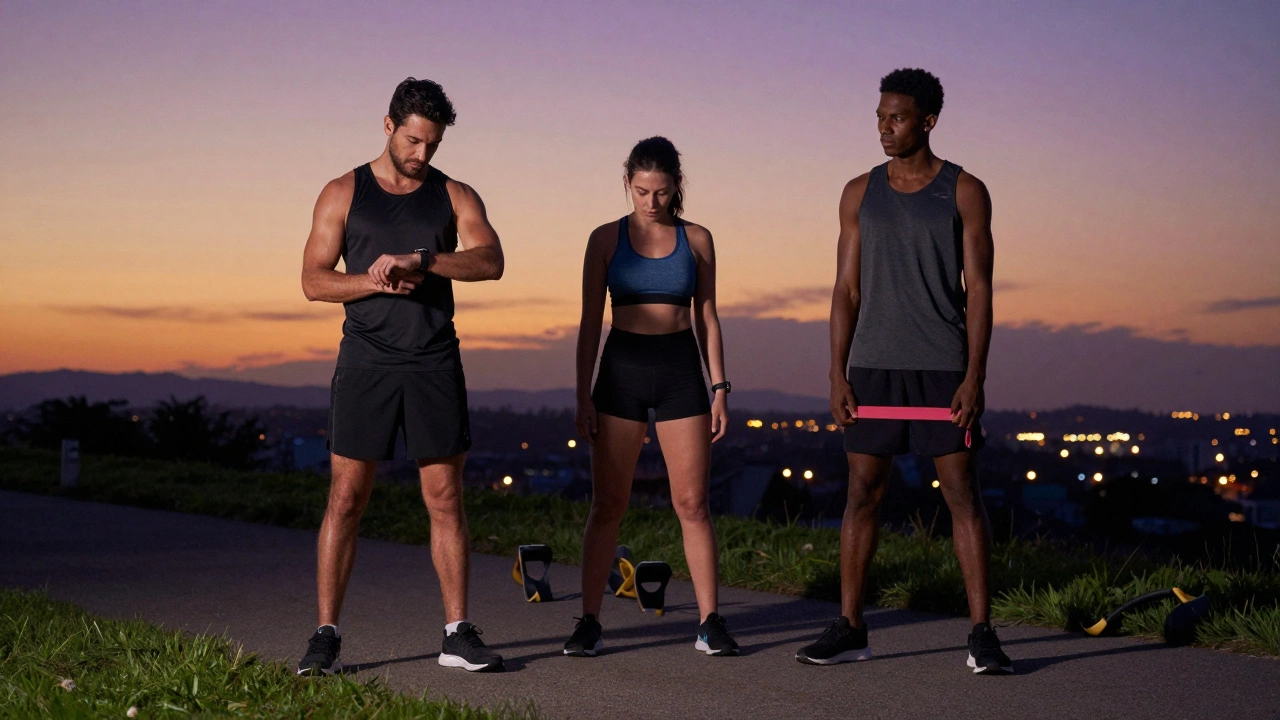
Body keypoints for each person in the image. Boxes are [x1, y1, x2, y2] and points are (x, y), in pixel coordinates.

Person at [796, 68, 1012, 674]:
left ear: (927, 121)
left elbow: (981, 289)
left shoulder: (966, 190)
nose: (884, 128)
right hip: (873, 366)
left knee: (962, 494)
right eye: (879, 117)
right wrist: (837, 373)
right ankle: (851, 627)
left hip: (942, 365)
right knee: (863, 492)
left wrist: (975, 375)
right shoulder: (858, 191)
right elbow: (844, 289)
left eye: (896, 118)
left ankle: (981, 633)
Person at [296, 77, 506, 675]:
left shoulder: (454, 194)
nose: (421, 155)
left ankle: (457, 634)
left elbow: (491, 260)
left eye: (432, 144)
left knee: (444, 497)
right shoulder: (343, 191)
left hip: (434, 358)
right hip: (365, 360)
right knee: (345, 498)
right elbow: (313, 280)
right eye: (413, 140)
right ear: (388, 126)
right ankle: (326, 636)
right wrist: (375, 278)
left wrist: (424, 260)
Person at [565, 137, 738, 657]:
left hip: (680, 371)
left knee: (693, 503)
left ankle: (710, 623)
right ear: (627, 185)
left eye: (661, 193)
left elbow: (707, 316)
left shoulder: (699, 239)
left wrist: (720, 388)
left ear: (675, 189)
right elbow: (590, 322)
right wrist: (582, 394)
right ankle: (589, 623)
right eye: (641, 191)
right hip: (621, 372)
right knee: (607, 504)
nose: (651, 202)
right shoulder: (604, 240)